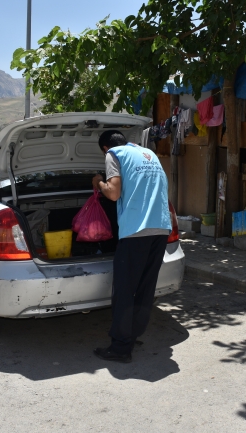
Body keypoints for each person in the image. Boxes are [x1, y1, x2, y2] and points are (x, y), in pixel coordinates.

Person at [91, 130, 172, 363]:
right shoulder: (148, 154)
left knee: (125, 290)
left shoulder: (114, 155)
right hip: (160, 228)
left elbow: (114, 193)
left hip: (136, 230)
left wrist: (98, 181)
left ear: (105, 148)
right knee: (145, 288)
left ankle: (120, 348)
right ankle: (132, 335)